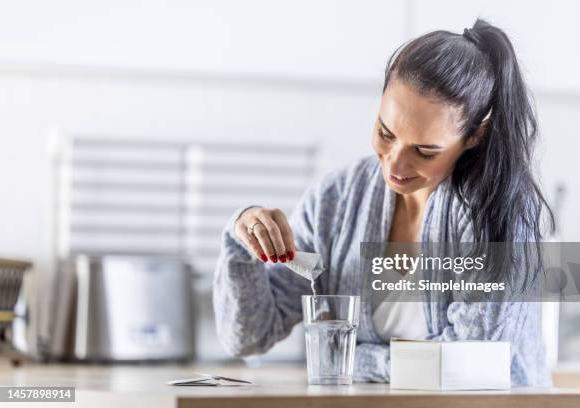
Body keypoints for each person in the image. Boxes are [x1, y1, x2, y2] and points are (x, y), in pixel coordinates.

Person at [213, 19, 553, 386]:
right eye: (384, 132)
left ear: (474, 136)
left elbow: (466, 365)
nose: (394, 164)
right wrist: (242, 237)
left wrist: (347, 358)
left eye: (424, 151)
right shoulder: (335, 200)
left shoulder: (498, 214)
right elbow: (249, 337)